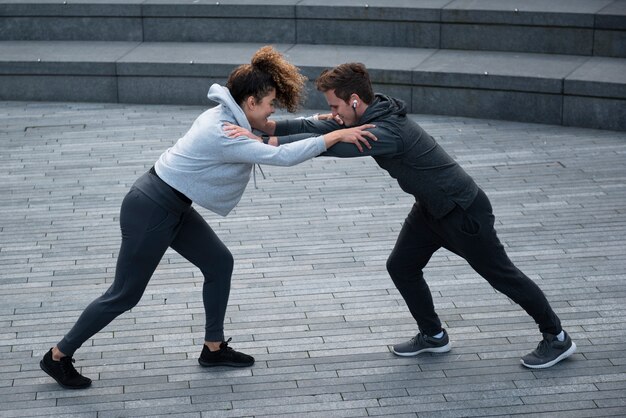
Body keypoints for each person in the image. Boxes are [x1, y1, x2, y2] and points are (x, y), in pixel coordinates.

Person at [39, 47, 376, 389]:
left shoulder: (227, 117)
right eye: (270, 102)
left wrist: (320, 123)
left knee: (218, 263)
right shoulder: (224, 133)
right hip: (151, 209)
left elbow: (274, 129)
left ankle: (213, 348)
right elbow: (282, 155)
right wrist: (334, 135)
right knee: (124, 294)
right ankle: (58, 355)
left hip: (170, 204)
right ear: (250, 104)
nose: (273, 109)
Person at [237, 62, 576, 369]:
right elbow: (318, 126)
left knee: (501, 275)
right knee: (401, 265)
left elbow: (331, 146)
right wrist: (266, 127)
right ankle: (433, 336)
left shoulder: (386, 132)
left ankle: (557, 337)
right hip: (430, 210)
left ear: (355, 100)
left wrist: (269, 142)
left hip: (462, 211)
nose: (332, 113)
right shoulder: (369, 113)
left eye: (335, 106)